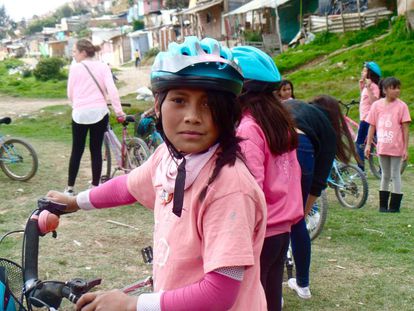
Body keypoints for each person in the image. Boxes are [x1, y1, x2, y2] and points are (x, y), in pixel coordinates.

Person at [47, 36, 268, 311]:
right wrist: (75, 201)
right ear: (157, 105)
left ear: (228, 113)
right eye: (178, 100)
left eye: (209, 104)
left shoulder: (228, 188)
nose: (192, 116)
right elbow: (127, 186)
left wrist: (132, 305)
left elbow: (220, 293)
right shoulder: (169, 156)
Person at [232, 46, 303, 311]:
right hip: (283, 226)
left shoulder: (248, 128)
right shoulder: (279, 120)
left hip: (262, 230)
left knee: (252, 299)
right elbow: (293, 173)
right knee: (271, 294)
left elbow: (251, 188)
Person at [283, 95, 358, 299]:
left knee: (272, 221)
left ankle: (270, 290)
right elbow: (318, 181)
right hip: (302, 147)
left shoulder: (294, 106)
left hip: (274, 137)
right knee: (296, 223)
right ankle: (303, 286)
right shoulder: (326, 128)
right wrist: (301, 213)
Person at [65, 39, 125, 195]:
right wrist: (119, 112)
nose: (74, 55)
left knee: (76, 150)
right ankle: (95, 186)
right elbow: (112, 90)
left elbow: (70, 93)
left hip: (79, 114)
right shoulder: (103, 66)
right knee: (96, 150)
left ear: (83, 52)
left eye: (75, 51)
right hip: (99, 112)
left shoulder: (75, 68)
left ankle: (70, 188)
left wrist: (77, 104)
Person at [364, 77, 411, 213]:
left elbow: (406, 129)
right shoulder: (376, 105)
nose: (397, 90)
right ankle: (383, 206)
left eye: (398, 88)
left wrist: (405, 149)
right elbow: (372, 126)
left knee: (395, 174)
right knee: (385, 174)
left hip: (397, 148)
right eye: (393, 88)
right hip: (382, 147)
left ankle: (394, 207)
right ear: (384, 90)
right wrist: (368, 145)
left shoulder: (402, 106)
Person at [356, 61, 381, 171]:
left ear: (370, 73)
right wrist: (362, 87)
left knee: (359, 144)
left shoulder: (374, 86)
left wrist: (369, 87)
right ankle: (381, 168)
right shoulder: (367, 86)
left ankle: (360, 169)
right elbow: (364, 99)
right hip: (365, 118)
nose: (362, 72)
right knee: (375, 141)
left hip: (367, 119)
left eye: (365, 70)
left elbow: (374, 101)